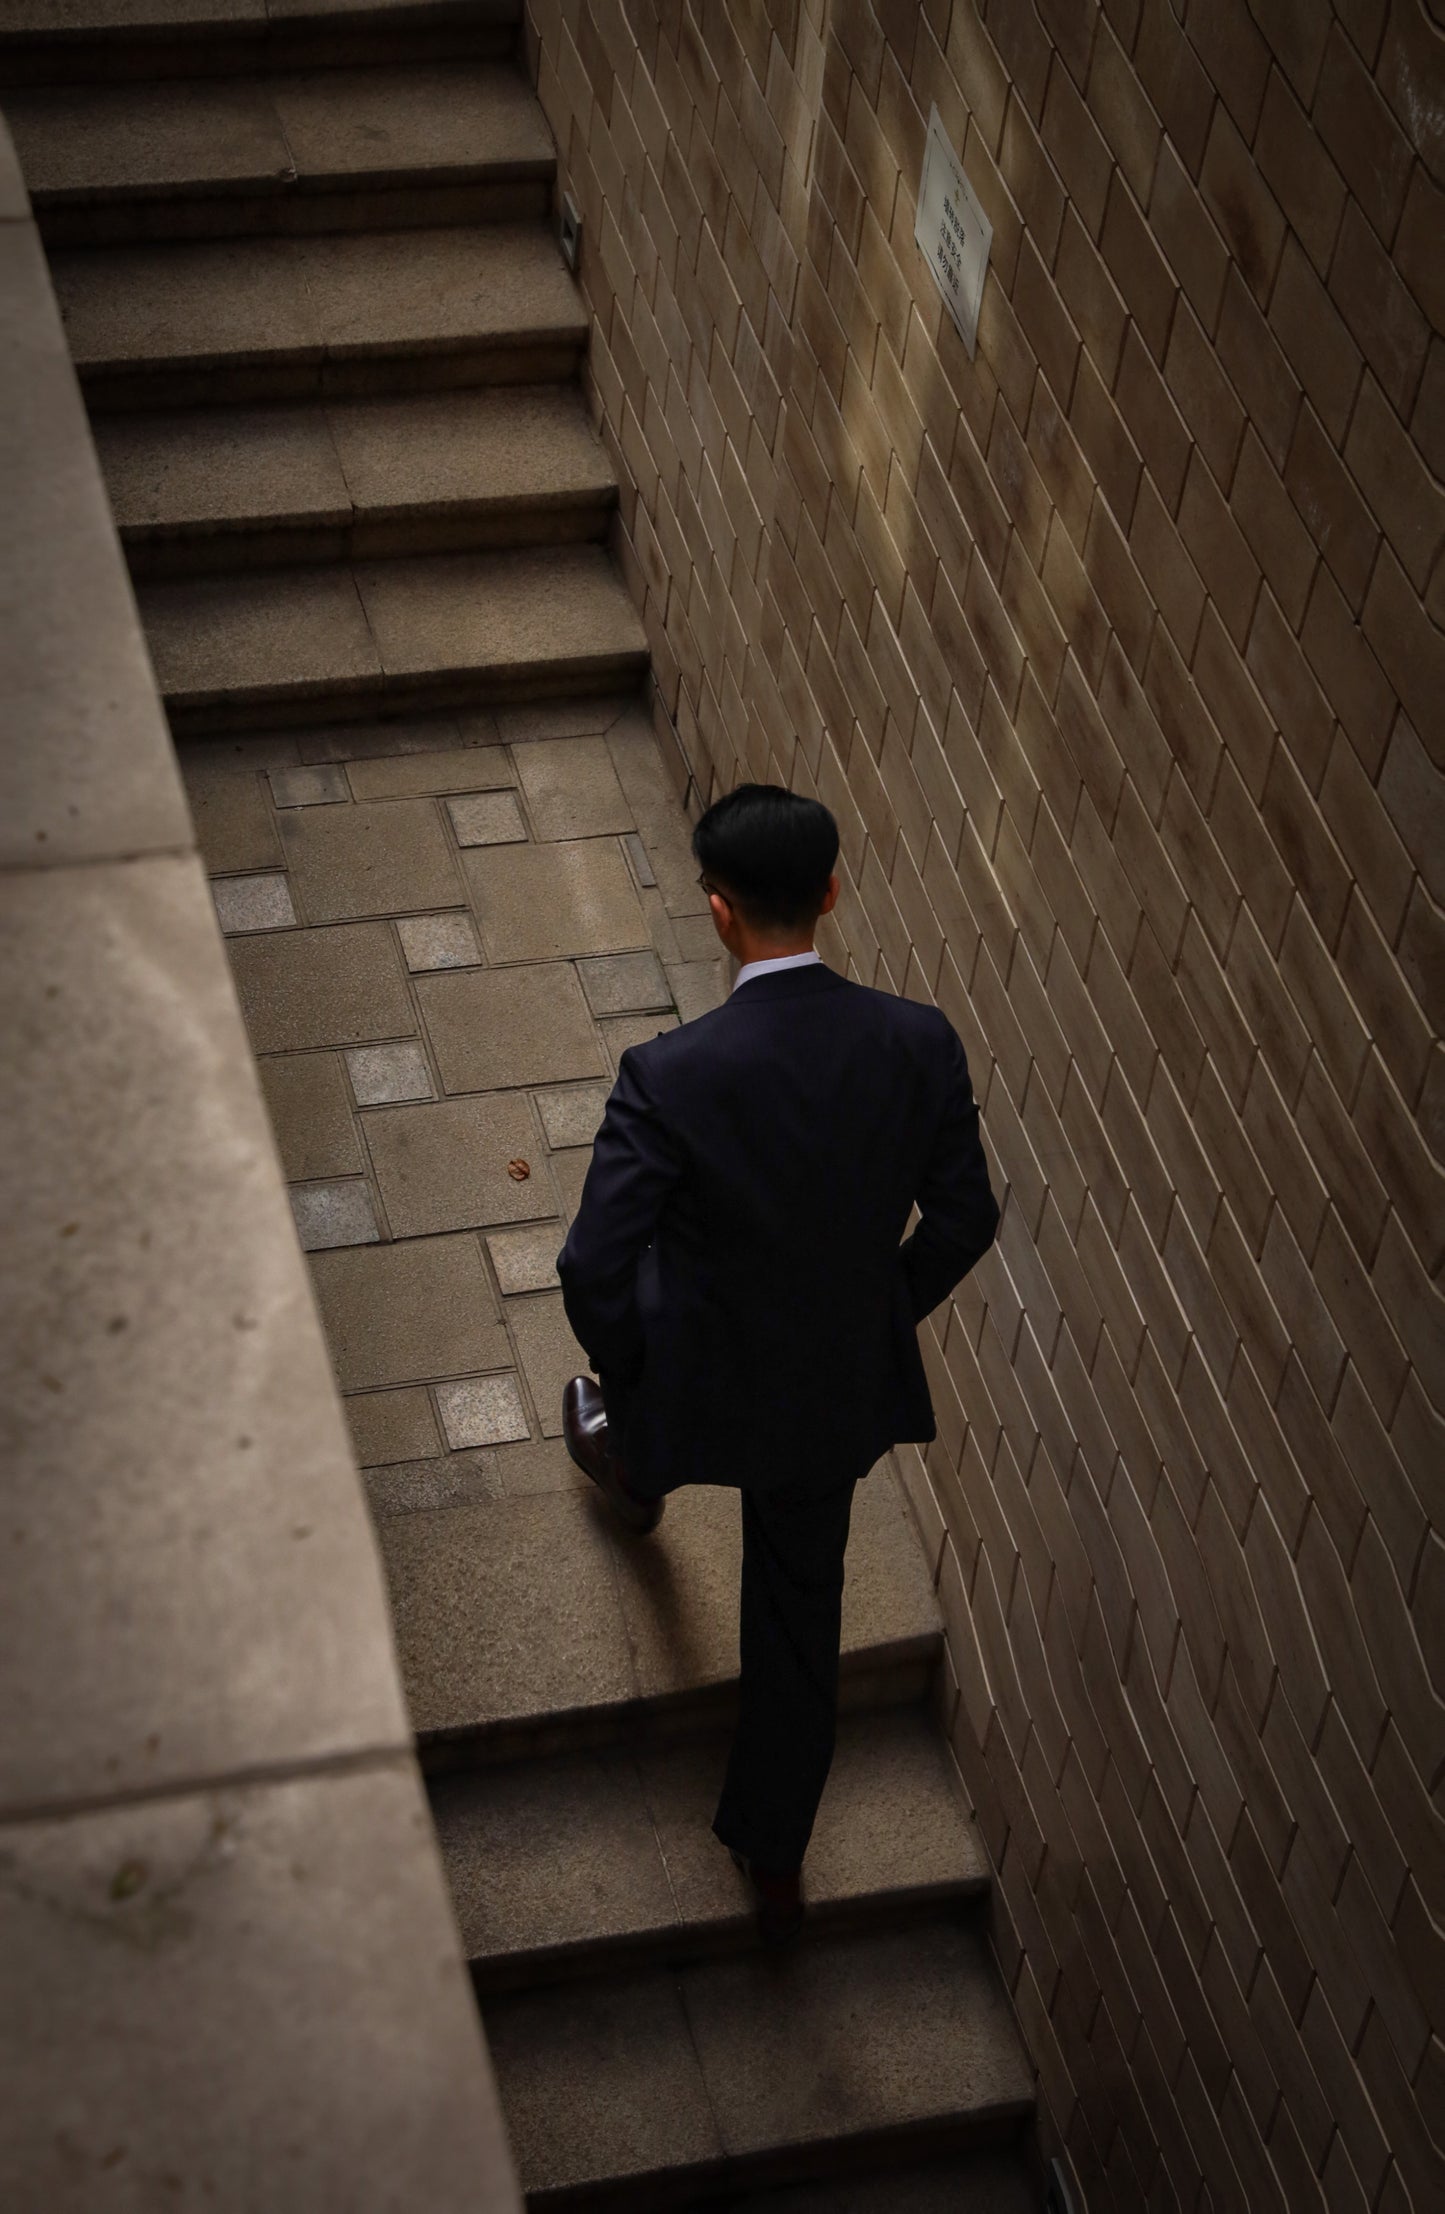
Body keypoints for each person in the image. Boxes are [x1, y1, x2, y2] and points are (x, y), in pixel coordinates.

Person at [557, 783, 999, 1944]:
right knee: (798, 1610)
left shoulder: (668, 1073)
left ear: (716, 911)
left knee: (640, 1349)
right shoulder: (916, 1041)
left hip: (705, 1371)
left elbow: (592, 1267)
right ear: (831, 892)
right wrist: (873, 1313)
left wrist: (635, 1365)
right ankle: (771, 1850)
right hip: (827, 1391)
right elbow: (961, 1219)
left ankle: (633, 1450)